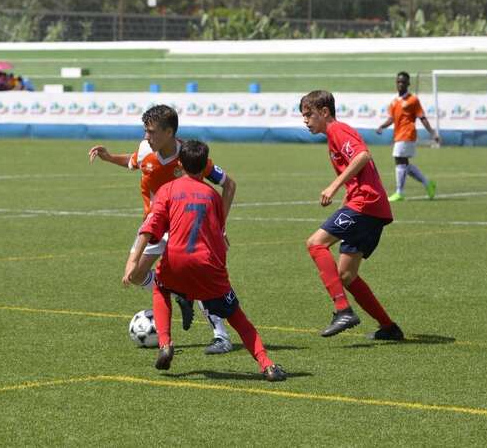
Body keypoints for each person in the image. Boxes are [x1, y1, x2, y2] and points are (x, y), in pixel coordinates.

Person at [123, 140, 286, 382]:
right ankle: (267, 365)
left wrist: (133, 262)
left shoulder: (168, 190)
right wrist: (221, 277)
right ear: (205, 166)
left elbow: (148, 229)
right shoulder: (212, 195)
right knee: (238, 318)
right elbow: (218, 237)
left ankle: (165, 344)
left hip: (176, 261)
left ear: (179, 165)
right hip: (208, 265)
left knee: (160, 287)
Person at [89, 105, 237, 355]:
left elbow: (229, 185)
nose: (147, 136)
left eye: (152, 132)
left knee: (200, 279)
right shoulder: (146, 148)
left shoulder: (189, 156)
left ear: (169, 132)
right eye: (145, 131)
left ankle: (221, 335)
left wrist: (218, 226)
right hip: (155, 223)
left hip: (185, 226)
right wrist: (109, 157)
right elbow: (133, 161)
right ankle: (180, 294)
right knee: (134, 274)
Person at [300, 90, 404, 341]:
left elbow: (362, 156)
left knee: (315, 244)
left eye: (309, 115)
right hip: (370, 207)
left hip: (366, 204)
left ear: (324, 112)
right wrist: (346, 198)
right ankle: (389, 328)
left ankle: (342, 310)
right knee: (346, 275)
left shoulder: (337, 130)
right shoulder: (332, 135)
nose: (305, 121)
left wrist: (333, 186)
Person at [376, 72, 441, 202]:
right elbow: (391, 119)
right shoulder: (394, 102)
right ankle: (428, 184)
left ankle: (400, 192)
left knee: (399, 160)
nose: (401, 84)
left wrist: (433, 133)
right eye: (399, 82)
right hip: (399, 134)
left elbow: (422, 118)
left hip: (408, 133)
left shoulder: (413, 100)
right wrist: (382, 126)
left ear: (408, 84)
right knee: (404, 164)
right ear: (396, 83)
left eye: (403, 82)